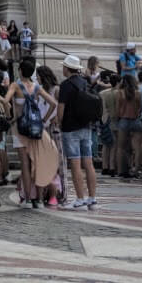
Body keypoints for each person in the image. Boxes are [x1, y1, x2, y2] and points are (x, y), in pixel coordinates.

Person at [4, 58, 59, 209]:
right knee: (38, 163)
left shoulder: (15, 85)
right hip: (35, 129)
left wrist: (10, 116)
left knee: (25, 166)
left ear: (20, 70)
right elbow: (53, 103)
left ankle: (28, 199)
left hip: (19, 129)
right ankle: (39, 199)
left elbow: (5, 101)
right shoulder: (37, 87)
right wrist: (43, 120)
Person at [56, 54, 98, 209]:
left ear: (67, 68)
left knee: (75, 162)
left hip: (70, 127)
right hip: (86, 126)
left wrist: (59, 123)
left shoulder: (66, 85)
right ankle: (92, 198)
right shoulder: (85, 82)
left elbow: (61, 108)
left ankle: (80, 198)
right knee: (88, 162)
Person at [114, 74, 142, 179]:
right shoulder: (138, 93)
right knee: (137, 148)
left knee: (121, 147)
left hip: (124, 120)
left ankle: (121, 170)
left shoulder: (119, 93)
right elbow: (140, 108)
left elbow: (117, 109)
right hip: (135, 121)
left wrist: (118, 118)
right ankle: (136, 169)